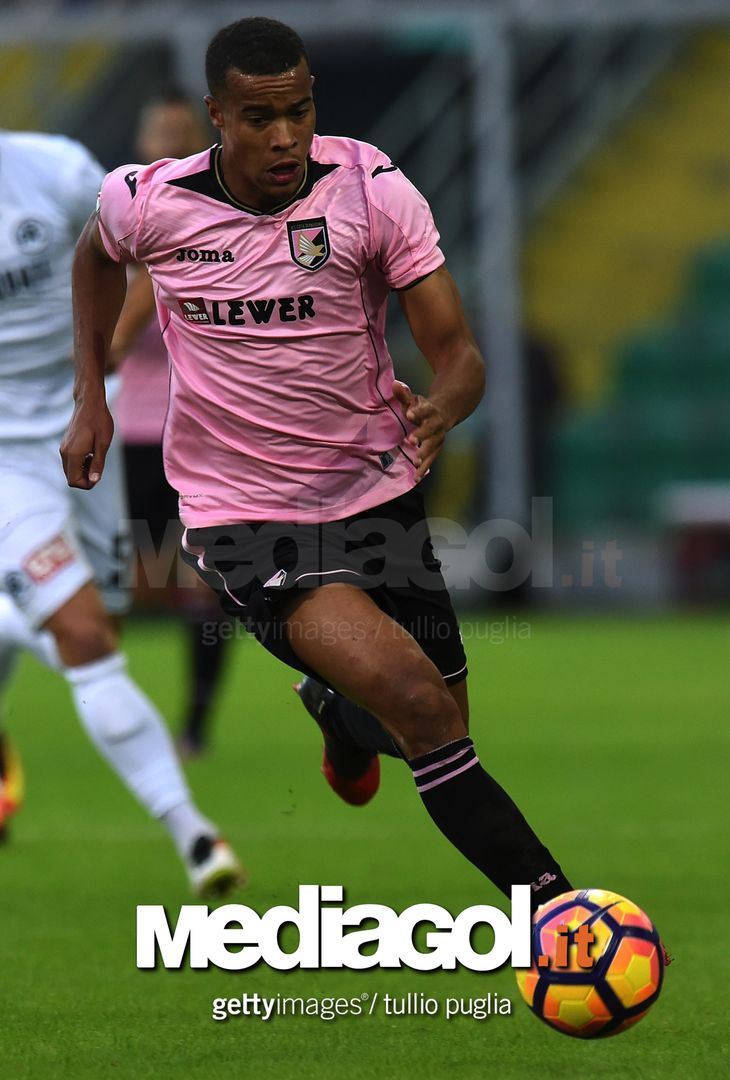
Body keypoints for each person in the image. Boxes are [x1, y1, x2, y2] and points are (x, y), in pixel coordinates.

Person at [62, 16, 572, 909]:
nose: (286, 135)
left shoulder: (372, 190)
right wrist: (91, 393)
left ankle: (338, 718)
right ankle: (564, 918)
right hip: (240, 513)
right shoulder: (149, 200)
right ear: (217, 115)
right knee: (417, 701)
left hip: (377, 491)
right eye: (260, 117)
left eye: (299, 110)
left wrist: (442, 408)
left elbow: (459, 355)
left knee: (439, 719)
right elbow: (95, 258)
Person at [0, 128, 242, 895]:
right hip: (4, 461)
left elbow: (141, 256)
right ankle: (195, 833)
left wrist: (102, 354)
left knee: (104, 623)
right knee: (81, 636)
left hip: (82, 423)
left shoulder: (57, 169)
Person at [111, 90, 230, 757]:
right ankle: (114, 711)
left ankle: (194, 727)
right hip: (129, 431)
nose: (174, 146)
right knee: (122, 583)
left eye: (187, 136)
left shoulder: (223, 228)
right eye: (164, 133)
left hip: (204, 430)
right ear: (141, 144)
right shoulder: (116, 226)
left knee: (206, 583)